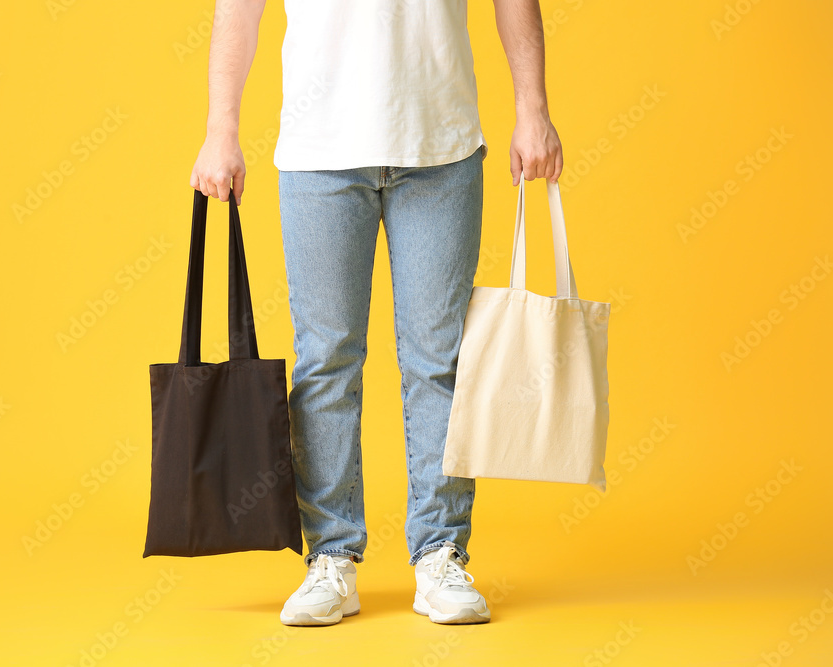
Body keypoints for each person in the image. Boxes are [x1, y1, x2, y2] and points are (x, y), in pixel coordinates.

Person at [190, 0, 563, 626]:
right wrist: (219, 130)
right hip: (320, 151)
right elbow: (239, 9)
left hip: (440, 145)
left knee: (440, 361)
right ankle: (331, 557)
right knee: (326, 362)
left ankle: (441, 554)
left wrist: (534, 109)